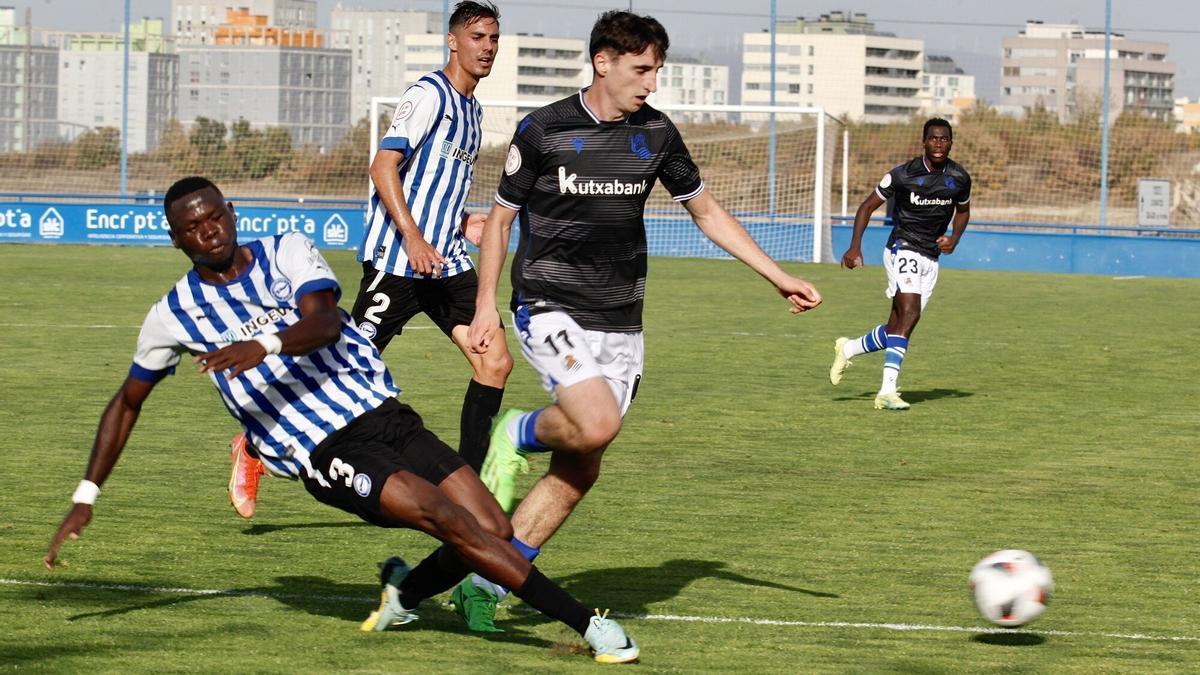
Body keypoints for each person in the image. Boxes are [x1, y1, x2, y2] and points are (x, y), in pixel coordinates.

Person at [44, 177, 639, 665]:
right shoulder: (172, 315)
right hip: (321, 449)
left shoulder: (287, 249)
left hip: (381, 413)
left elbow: (326, 321)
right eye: (192, 228)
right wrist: (87, 493)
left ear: (232, 212)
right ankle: (588, 626)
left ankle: (403, 593)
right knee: (447, 519)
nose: (209, 232)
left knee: (493, 529)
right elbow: (127, 402)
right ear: (177, 240)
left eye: (215, 217)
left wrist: (265, 346)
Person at [451, 10, 823, 631]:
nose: (651, 83)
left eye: (657, 70)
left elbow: (705, 212)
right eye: (642, 69)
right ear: (604, 61)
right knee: (593, 425)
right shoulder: (543, 129)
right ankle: (516, 432)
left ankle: (485, 583)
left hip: (621, 319)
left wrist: (777, 274)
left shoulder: (656, 135)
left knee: (581, 466)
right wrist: (487, 302)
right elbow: (502, 220)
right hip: (547, 303)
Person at [227, 1, 513, 520]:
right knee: (333, 371)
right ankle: (252, 446)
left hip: (444, 262)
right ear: (453, 41)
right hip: (398, 263)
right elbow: (384, 166)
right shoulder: (429, 96)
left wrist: (461, 224)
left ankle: (468, 489)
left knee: (493, 360)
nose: (487, 47)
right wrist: (412, 237)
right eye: (477, 37)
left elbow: (439, 188)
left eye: (493, 38)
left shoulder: (473, 112)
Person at [829, 117, 972, 410]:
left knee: (900, 324)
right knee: (910, 312)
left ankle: (849, 347)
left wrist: (954, 239)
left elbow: (963, 211)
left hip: (930, 257)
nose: (939, 144)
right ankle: (887, 391)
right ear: (924, 141)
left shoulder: (959, 178)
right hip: (901, 248)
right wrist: (855, 246)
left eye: (944, 139)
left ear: (951, 143)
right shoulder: (902, 175)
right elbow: (867, 207)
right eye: (933, 138)